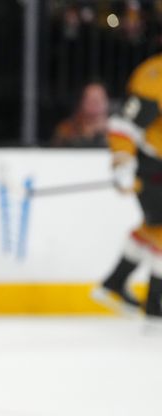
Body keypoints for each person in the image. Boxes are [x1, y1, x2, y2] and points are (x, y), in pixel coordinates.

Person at [93, 52, 162, 323]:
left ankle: (114, 283)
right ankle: (156, 304)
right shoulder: (155, 74)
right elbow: (124, 123)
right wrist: (123, 162)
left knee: (152, 229)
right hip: (152, 165)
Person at [51, 81, 109, 147]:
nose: (95, 104)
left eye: (99, 99)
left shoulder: (116, 129)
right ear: (81, 102)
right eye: (91, 100)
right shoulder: (66, 129)